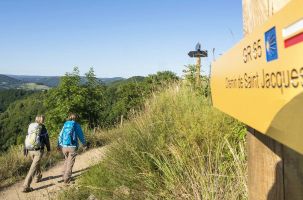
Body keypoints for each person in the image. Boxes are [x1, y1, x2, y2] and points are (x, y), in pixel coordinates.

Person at [22, 115, 50, 193]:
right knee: (33, 167)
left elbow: (27, 137)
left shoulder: (31, 126)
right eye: (43, 119)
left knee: (35, 164)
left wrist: (25, 149)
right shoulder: (42, 127)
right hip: (38, 150)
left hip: (30, 149)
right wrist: (49, 149)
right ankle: (26, 186)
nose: (44, 120)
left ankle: (38, 177)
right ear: (42, 120)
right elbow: (46, 139)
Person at [57, 113, 87, 184]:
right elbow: (81, 136)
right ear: (76, 118)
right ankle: (67, 179)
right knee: (70, 163)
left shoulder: (65, 124)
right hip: (72, 147)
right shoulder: (76, 125)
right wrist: (84, 143)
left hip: (64, 147)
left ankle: (63, 175)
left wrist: (59, 144)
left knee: (66, 160)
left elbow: (60, 135)